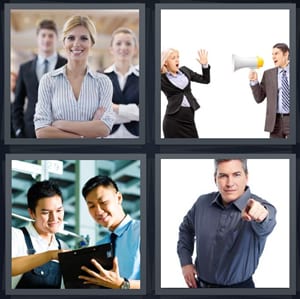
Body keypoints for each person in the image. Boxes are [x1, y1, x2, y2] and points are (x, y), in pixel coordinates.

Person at [177, 159, 276, 288]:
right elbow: (186, 229)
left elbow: (267, 222)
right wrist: (186, 262)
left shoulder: (259, 206)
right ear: (215, 179)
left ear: (246, 177)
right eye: (223, 176)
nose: (230, 183)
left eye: (236, 174)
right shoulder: (202, 203)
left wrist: (261, 215)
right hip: (199, 287)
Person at [34, 16, 115, 138]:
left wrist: (60, 124)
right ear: (64, 42)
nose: (76, 44)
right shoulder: (48, 80)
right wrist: (85, 135)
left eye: (83, 38)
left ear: (91, 43)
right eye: (71, 38)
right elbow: (41, 131)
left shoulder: (103, 82)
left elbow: (104, 128)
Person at [80, 175, 140, 289]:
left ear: (119, 198)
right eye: (91, 206)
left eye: (103, 202)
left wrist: (123, 284)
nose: (98, 211)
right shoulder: (99, 246)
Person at [12, 19, 67, 138]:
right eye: (43, 35)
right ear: (37, 38)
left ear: (56, 38)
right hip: (29, 131)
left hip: (60, 130)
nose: (46, 39)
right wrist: (18, 130)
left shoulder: (68, 66)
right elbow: (18, 103)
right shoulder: (24, 68)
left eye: (50, 36)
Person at [11, 180, 68, 288]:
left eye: (59, 210)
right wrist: (50, 255)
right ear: (32, 213)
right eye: (46, 212)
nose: (54, 218)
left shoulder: (63, 246)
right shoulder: (16, 236)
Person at [160, 48, 210, 138]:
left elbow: (205, 80)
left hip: (189, 118)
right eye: (173, 58)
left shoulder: (185, 71)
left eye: (178, 57)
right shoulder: (161, 78)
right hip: (173, 120)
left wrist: (205, 65)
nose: (177, 60)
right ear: (165, 62)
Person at [104, 27, 139, 138]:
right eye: (118, 43)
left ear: (135, 49)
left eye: (128, 43)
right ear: (111, 49)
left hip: (137, 139)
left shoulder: (144, 78)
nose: (123, 47)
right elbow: (99, 115)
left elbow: (146, 113)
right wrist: (133, 113)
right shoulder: (100, 77)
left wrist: (114, 108)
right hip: (109, 138)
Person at [249, 43, 290, 138]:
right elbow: (259, 98)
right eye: (272, 54)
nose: (273, 57)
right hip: (275, 122)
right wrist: (254, 82)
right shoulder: (268, 74)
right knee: (276, 151)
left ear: (286, 54)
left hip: (293, 119)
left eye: (276, 53)